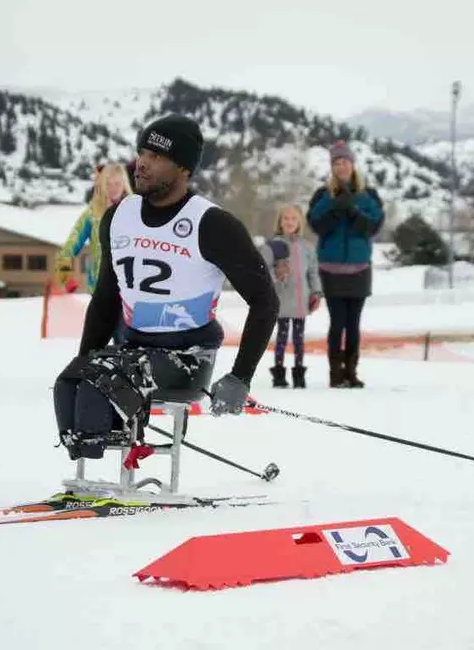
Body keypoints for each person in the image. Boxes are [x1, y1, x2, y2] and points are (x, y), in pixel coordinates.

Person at [52, 114, 279, 461]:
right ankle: (90, 472)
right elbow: (107, 298)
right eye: (142, 153)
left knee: (102, 381)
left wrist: (240, 377)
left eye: (156, 157)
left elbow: (265, 300)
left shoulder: (213, 224)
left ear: (183, 169)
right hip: (131, 350)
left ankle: (126, 466)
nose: (142, 163)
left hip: (188, 358)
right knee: (70, 383)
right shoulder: (118, 216)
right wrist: (86, 356)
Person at [306, 141, 384, 388]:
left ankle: (351, 372)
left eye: (345, 162)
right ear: (332, 167)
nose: (341, 167)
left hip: (359, 270)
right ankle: (335, 374)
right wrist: (336, 208)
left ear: (352, 164)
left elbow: (373, 227)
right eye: (337, 163)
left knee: (353, 324)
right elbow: (317, 225)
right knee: (337, 322)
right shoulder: (323, 194)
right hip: (331, 270)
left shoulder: (368, 195)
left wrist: (353, 212)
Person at [258, 204, 322, 388]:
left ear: (299, 222)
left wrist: (316, 293)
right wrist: (276, 275)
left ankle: (299, 373)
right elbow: (263, 271)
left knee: (299, 338)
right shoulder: (272, 245)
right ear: (280, 221)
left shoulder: (307, 247)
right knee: (282, 336)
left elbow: (313, 273)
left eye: (293, 218)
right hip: (282, 299)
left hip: (302, 299)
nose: (289, 222)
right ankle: (279, 374)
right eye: (286, 218)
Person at [54, 162, 133, 292]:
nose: (113, 188)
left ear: (124, 184)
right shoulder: (93, 213)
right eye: (108, 184)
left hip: (130, 290)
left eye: (117, 184)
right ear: (102, 185)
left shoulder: (135, 211)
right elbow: (68, 248)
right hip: (99, 289)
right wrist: (66, 278)